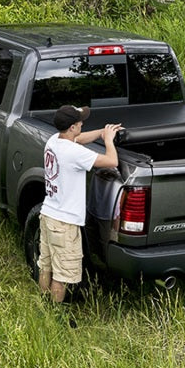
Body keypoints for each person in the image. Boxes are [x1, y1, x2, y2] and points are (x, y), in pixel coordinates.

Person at [39, 105, 123, 303]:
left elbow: (79, 138)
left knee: (46, 265)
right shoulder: (74, 153)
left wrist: (102, 132)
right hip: (65, 224)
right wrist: (109, 140)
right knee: (62, 276)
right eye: (79, 123)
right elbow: (112, 161)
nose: (82, 124)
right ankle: (55, 315)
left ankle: (43, 304)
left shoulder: (54, 141)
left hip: (48, 215)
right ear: (72, 127)